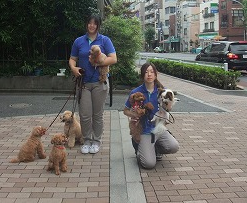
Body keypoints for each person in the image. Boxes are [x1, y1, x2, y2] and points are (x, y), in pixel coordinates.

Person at [69, 14, 117, 154]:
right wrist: (73, 68)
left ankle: (96, 141)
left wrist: (99, 62)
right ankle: (87, 140)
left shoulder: (105, 40)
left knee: (97, 114)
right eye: (89, 23)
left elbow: (113, 59)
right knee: (84, 114)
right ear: (86, 24)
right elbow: (72, 59)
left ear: (98, 25)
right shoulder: (79, 41)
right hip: (83, 83)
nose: (92, 26)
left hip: (99, 83)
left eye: (94, 23)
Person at [124, 62, 179, 169]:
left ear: (155, 74)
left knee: (174, 147)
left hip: (159, 129)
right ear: (142, 75)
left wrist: (168, 106)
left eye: (152, 72)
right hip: (144, 130)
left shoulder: (163, 90)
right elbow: (125, 110)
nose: (149, 74)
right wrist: (134, 114)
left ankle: (155, 149)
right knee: (149, 164)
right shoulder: (136, 92)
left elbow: (169, 108)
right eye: (146, 72)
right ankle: (139, 148)